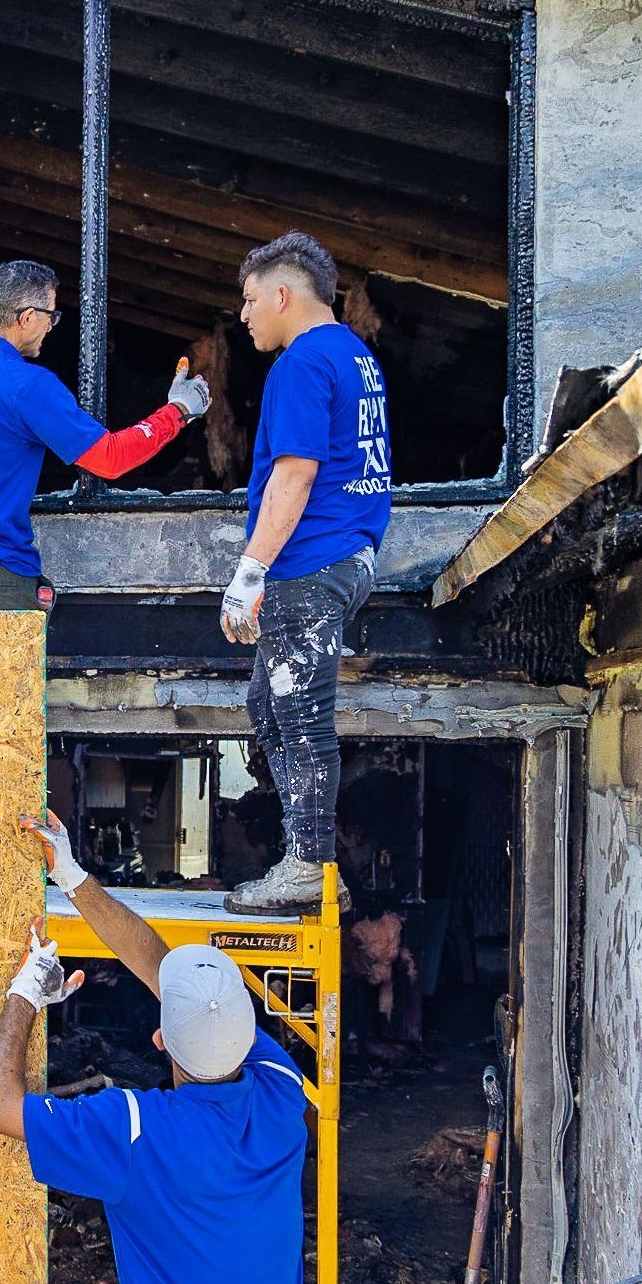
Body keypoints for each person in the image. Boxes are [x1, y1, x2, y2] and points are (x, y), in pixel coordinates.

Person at [0, 811, 309, 1284]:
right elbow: (171, 981)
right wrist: (74, 878)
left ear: (159, 1039)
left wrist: (27, 989)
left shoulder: (135, 1134)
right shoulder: (282, 1097)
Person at [0, 259, 212, 609]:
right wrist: (177, 412)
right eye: (52, 316)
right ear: (27, 317)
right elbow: (111, 459)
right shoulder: (27, 385)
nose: (52, 327)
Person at [219, 232, 391, 915]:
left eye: (251, 298)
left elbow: (294, 473)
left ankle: (306, 864)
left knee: (299, 714)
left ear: (283, 295)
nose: (244, 313)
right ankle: (314, 863)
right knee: (269, 705)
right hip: (346, 558)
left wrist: (249, 571)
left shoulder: (299, 364)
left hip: (308, 562)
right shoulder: (355, 357)